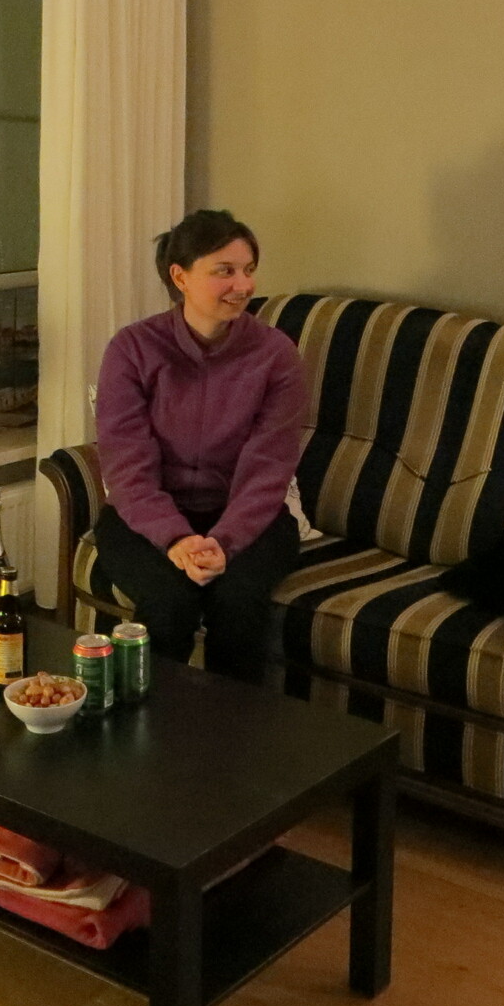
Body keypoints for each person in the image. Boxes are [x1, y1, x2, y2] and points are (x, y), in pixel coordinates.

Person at [91, 209, 307, 684]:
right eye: (224, 271)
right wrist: (176, 538)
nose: (243, 285)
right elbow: (127, 465)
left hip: (250, 518)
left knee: (238, 604)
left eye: (248, 270)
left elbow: (268, 466)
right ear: (180, 277)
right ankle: (150, 722)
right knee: (168, 602)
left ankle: (230, 727)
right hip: (144, 518)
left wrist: (223, 541)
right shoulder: (132, 349)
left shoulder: (276, 355)